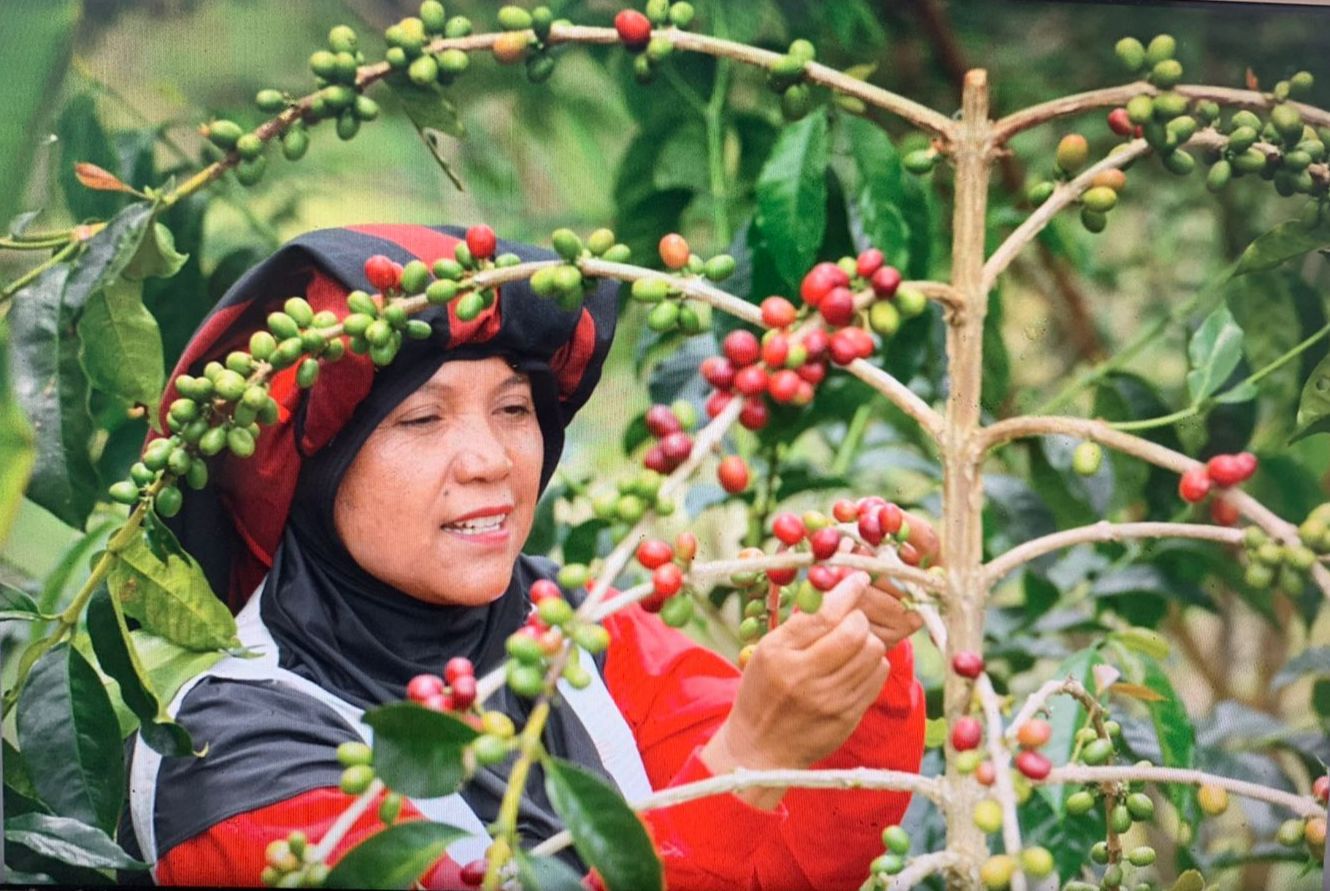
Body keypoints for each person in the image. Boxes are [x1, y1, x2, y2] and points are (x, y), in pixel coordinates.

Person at [122, 223, 932, 890]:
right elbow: (738, 783)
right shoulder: (229, 759)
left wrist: (853, 657)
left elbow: (799, 856)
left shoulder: (572, 624)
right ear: (316, 468)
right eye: (421, 420)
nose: (492, 460)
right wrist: (749, 758)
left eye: (514, 407)